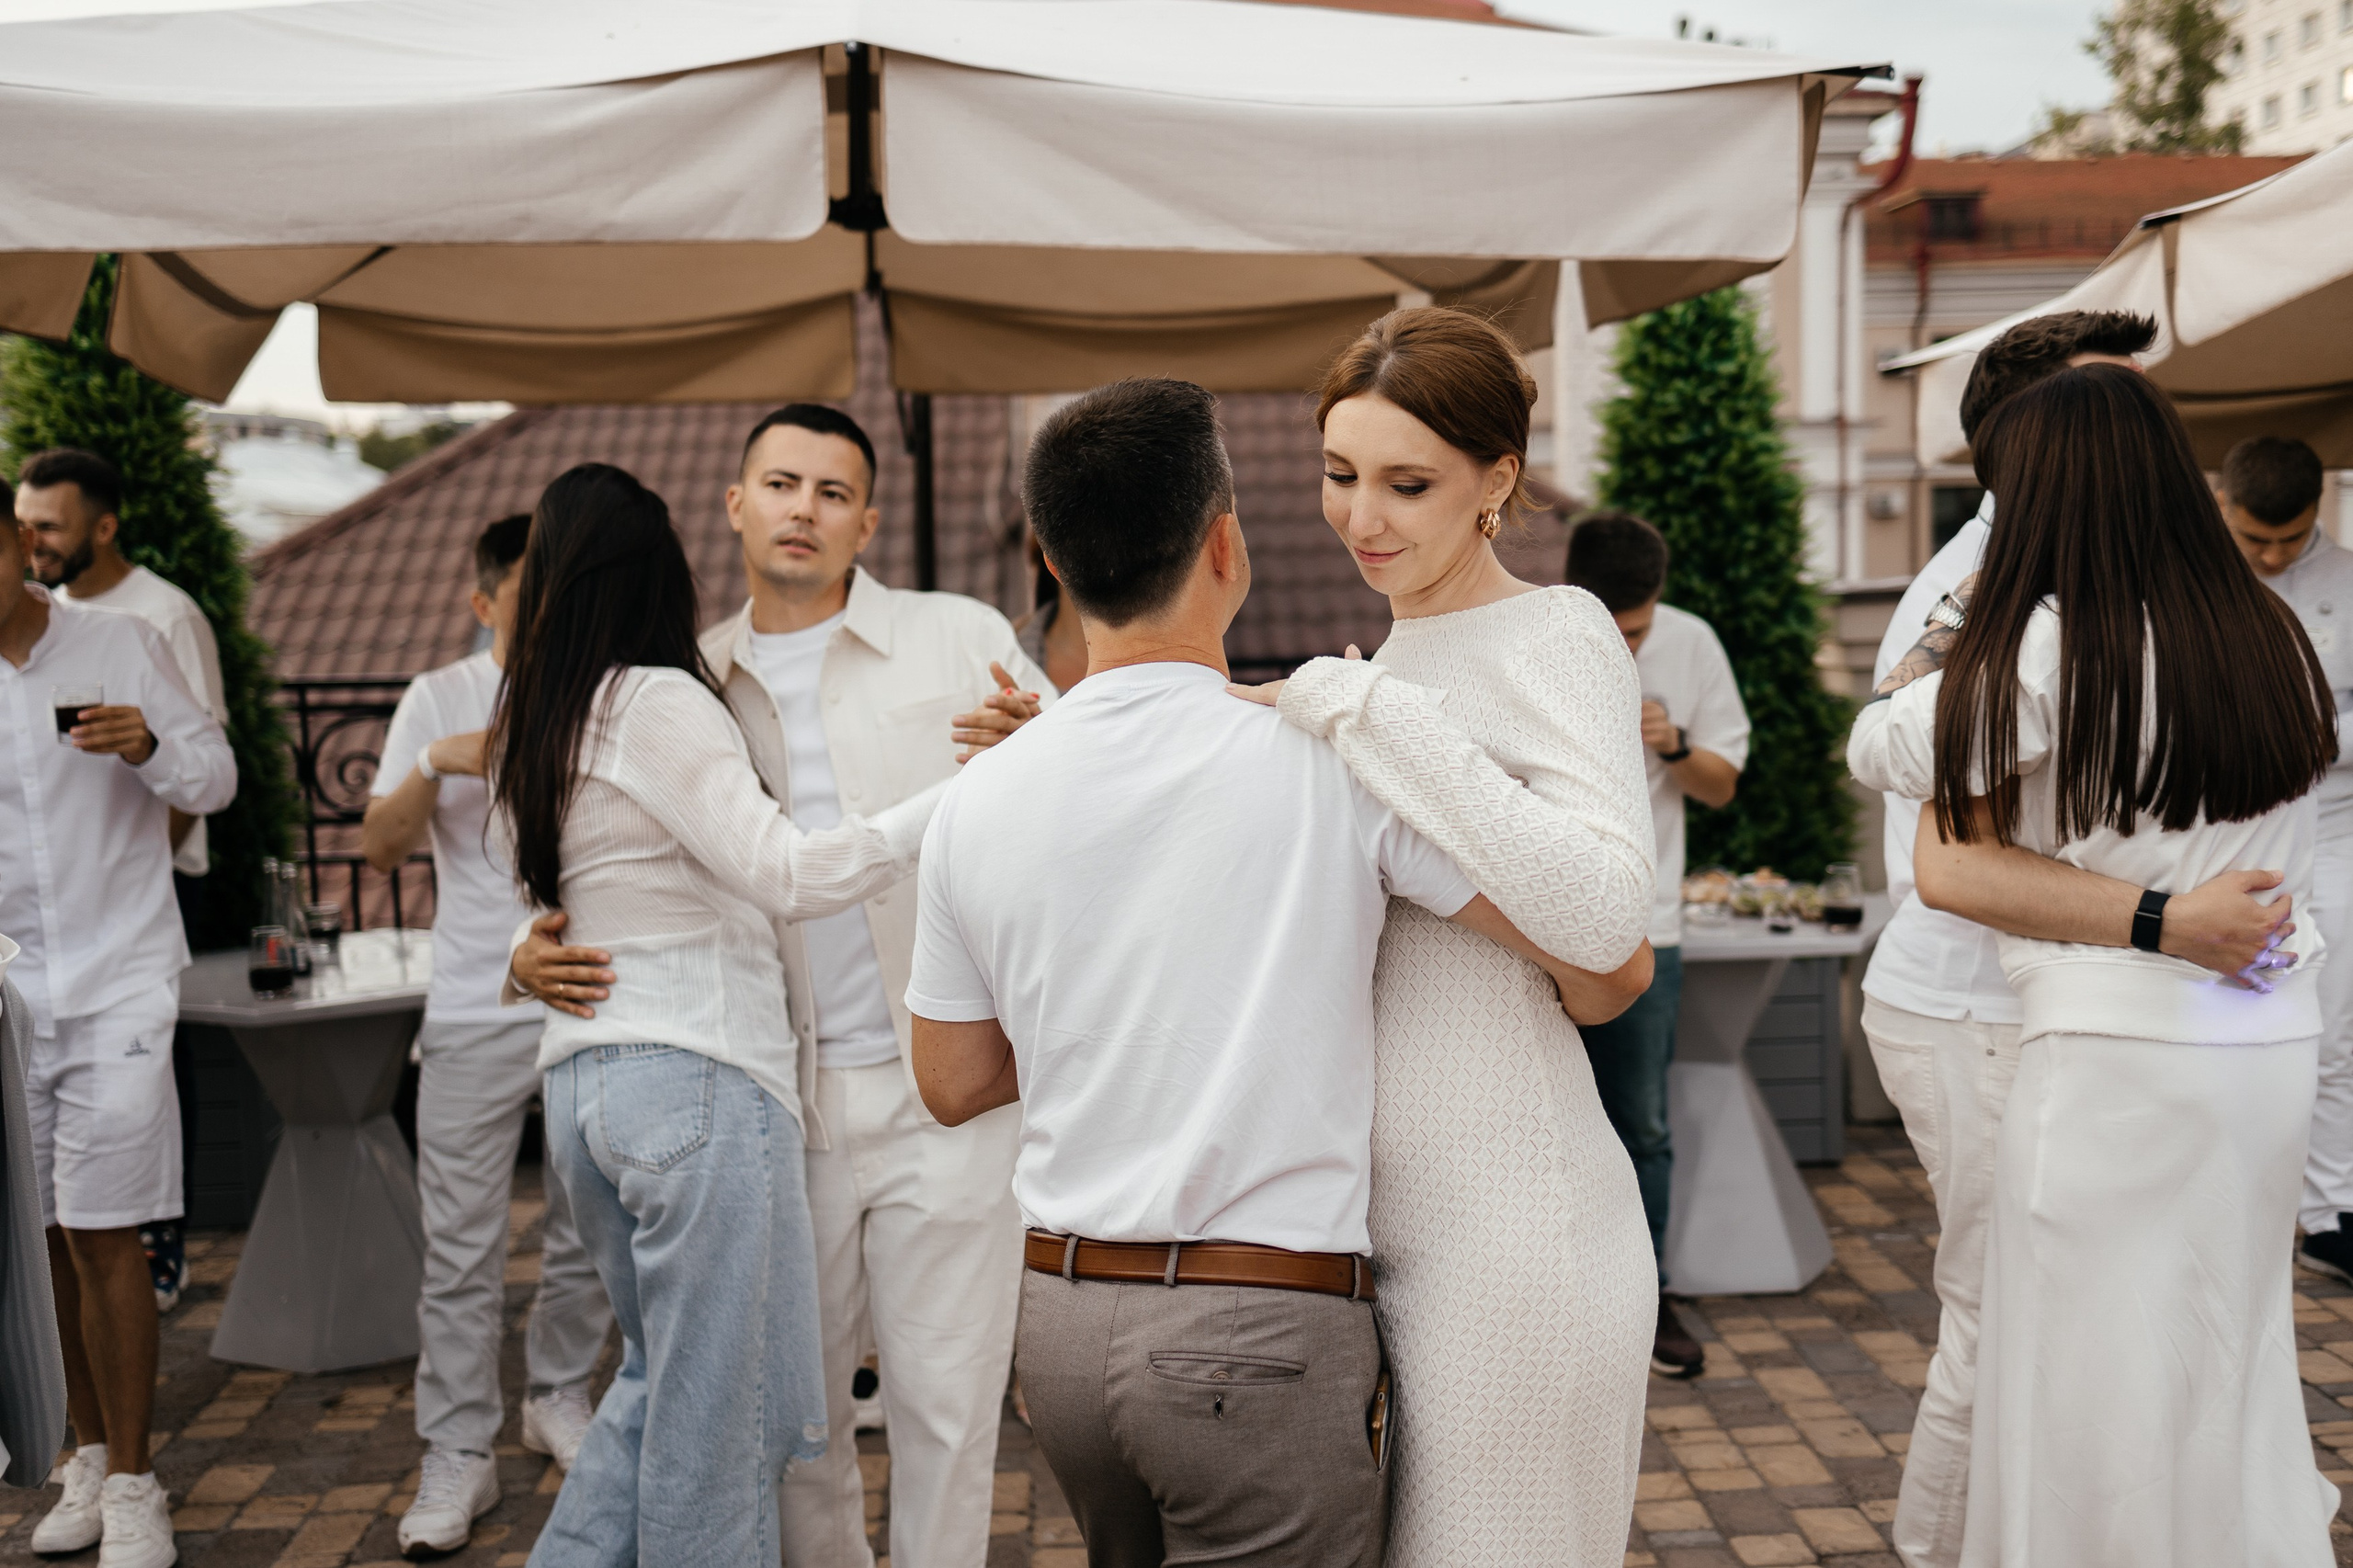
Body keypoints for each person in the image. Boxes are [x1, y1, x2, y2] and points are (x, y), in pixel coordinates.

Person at [909, 376, 1652, 1568]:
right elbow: (1604, 964)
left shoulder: (979, 793)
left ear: (1044, 556)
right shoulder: (1326, 759)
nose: (1366, 513)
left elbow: (949, 1078)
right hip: (1254, 1322)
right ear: (1224, 542)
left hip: (1059, 1317)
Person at [507, 404, 1051, 1568]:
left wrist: (1034, 749)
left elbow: (1066, 781)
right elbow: (601, 846)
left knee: (948, 1414)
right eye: (781, 481)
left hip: (943, 1089)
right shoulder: (683, 677)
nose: (804, 506)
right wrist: (524, 944)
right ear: (735, 504)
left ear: (866, 518)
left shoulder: (959, 635)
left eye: (832, 489)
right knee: (788, 1425)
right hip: (772, 1100)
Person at [1850, 364, 2339, 1566]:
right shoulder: (2270, 627)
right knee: (2225, 1358)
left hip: (2124, 1053)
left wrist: (1944, 651)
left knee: (2083, 1383)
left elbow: (1881, 746)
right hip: (2265, 1038)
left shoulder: (2058, 644)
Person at [358, 515, 614, 1554]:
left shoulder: (607, 695)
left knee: (586, 1222)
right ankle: (456, 1446)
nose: (552, 612)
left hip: (588, 995)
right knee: (459, 1245)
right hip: (471, 1002)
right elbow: (378, 843)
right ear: (486, 601)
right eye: (529, 592)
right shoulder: (438, 694)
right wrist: (435, 760)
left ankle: (557, 1391)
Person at [0, 507, 236, 1568]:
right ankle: (86, 1455)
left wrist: (147, 742)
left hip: (122, 976)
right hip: (11, 996)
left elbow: (215, 777)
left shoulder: (119, 641)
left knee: (106, 1228)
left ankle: (138, 1481)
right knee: (45, 1227)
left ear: (17, 546)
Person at [17, 447, 228, 1316]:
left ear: (103, 528)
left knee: (127, 1166)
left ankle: (159, 1249)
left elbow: (204, 764)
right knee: (51, 1219)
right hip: (47, 944)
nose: (32, 546)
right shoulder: (36, 623)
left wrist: (141, 861)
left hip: (142, 905)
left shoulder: (158, 621)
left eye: (48, 528)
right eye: (21, 527)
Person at [1563, 510, 1747, 1377]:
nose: (1629, 647)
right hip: (1540, 930)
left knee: (1641, 1125)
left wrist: (1673, 743)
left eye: (1640, 630)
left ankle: (1651, 1297)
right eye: (1615, 631)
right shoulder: (1538, 639)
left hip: (1648, 928)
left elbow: (1722, 787)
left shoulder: (1693, 644)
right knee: (1541, 1124)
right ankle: (1561, 1305)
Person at [2212, 437, 2353, 1286]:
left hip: (2332, 831)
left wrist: (2309, 737)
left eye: (2288, 540)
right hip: (2222, 836)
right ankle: (2231, 1201)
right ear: (2223, 507)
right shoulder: (2193, 579)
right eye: (2253, 538)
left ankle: (2331, 1213)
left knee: (2332, 1025)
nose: (2269, 556)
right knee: (2224, 1024)